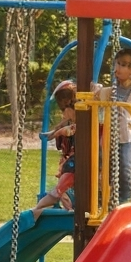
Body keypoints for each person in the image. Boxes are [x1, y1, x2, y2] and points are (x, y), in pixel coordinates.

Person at [91, 47, 131, 204]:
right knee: (106, 171)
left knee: (126, 173)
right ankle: (109, 202)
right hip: (109, 139)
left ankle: (126, 203)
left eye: (125, 65)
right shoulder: (112, 89)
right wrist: (95, 89)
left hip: (126, 139)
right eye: (117, 63)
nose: (119, 68)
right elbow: (98, 96)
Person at [32, 80, 77, 219]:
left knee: (60, 188)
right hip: (71, 162)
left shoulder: (80, 119)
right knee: (63, 185)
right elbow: (62, 128)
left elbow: (70, 130)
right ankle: (68, 207)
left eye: (63, 109)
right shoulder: (70, 118)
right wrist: (52, 133)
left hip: (75, 163)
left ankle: (37, 210)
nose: (63, 113)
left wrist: (57, 133)